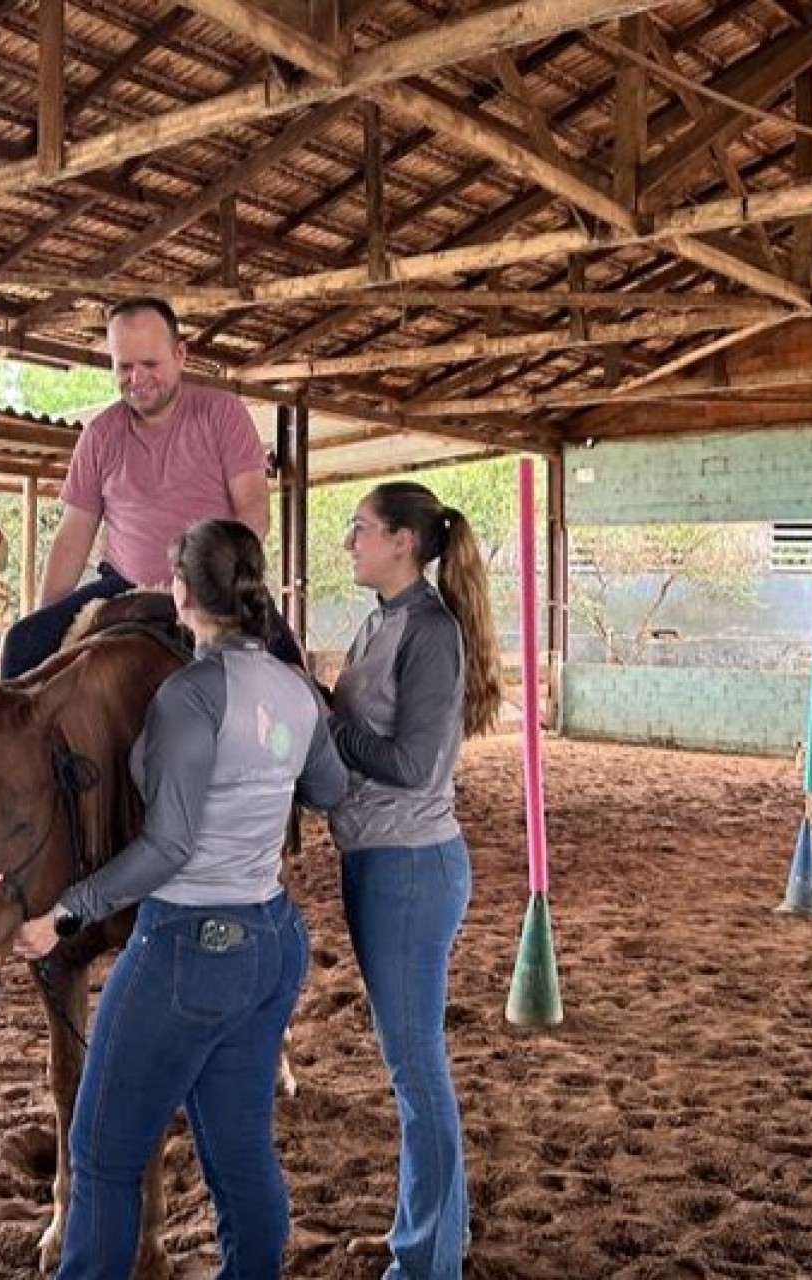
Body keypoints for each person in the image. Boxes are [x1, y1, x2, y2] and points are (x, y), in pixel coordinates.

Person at [15, 518, 346, 1280]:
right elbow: (329, 790)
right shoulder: (292, 689)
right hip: (272, 940)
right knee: (240, 1154)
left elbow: (166, 848)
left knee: (98, 1156)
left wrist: (64, 912)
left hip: (188, 942)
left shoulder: (187, 698)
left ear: (180, 595)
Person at [327, 481, 504, 1280]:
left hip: (408, 864)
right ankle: (435, 1234)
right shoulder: (382, 620)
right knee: (412, 1061)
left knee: (415, 1067)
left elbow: (412, 764)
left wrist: (328, 720)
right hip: (378, 859)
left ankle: (428, 1261)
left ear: (403, 541)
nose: (349, 542)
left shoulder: (428, 632)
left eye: (360, 529)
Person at [0, 296, 303, 678]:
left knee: (293, 672)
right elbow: (72, 536)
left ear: (180, 355)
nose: (137, 379)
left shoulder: (222, 413)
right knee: (21, 643)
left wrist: (217, 583)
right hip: (123, 584)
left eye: (149, 364)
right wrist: (48, 622)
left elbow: (254, 513)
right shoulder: (100, 434)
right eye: (124, 367)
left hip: (211, 584)